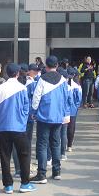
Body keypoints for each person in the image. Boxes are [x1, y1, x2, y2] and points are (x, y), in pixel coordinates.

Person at [0, 63, 36, 194]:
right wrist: (23, 121)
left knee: (5, 156)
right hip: (19, 127)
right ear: (17, 73)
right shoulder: (22, 88)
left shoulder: (1, 88)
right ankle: (25, 183)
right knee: (24, 154)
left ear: (6, 73)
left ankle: (8, 186)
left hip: (3, 127)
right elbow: (26, 107)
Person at [31, 55, 70, 184]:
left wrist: (33, 112)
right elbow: (66, 99)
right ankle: (57, 172)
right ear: (57, 65)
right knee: (56, 144)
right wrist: (65, 115)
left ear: (46, 66)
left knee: (42, 145)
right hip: (58, 117)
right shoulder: (63, 80)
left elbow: (36, 98)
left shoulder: (42, 79)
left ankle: (41, 174)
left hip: (44, 117)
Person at [66, 67, 82, 151]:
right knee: (71, 127)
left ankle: (62, 146)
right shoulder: (77, 86)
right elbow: (79, 99)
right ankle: (69, 145)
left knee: (62, 128)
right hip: (72, 109)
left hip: (63, 109)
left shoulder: (63, 84)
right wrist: (76, 106)